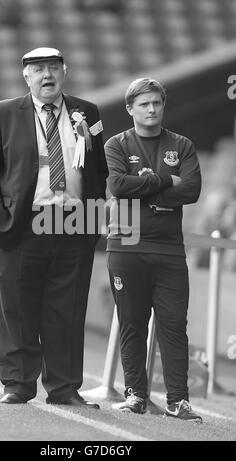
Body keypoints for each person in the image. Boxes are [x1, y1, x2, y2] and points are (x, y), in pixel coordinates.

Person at [0, 47, 108, 408]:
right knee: (18, 305)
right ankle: (18, 383)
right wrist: (0, 221)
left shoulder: (89, 112)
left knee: (67, 309)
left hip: (74, 223)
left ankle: (64, 387)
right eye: (38, 70)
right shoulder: (2, 113)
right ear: (26, 76)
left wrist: (92, 221)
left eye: (53, 68)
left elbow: (99, 171)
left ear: (65, 71)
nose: (47, 75)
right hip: (24, 223)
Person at [104, 78, 202, 422]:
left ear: (163, 106)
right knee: (133, 323)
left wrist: (144, 189)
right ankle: (135, 395)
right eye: (143, 104)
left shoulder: (182, 145)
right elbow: (117, 186)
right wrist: (163, 181)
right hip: (126, 244)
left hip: (169, 248)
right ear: (130, 109)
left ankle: (178, 401)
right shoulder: (116, 145)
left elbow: (191, 191)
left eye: (156, 103)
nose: (151, 109)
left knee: (173, 324)